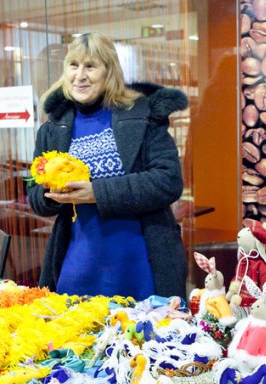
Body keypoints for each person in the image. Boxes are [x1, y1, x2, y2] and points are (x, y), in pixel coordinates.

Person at [27, 32, 188, 300]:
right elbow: (35, 195)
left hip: (139, 265)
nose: (80, 75)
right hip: (77, 265)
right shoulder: (53, 128)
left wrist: (97, 193)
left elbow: (168, 180)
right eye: (73, 65)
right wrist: (51, 193)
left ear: (109, 71)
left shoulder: (142, 116)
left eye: (90, 66)